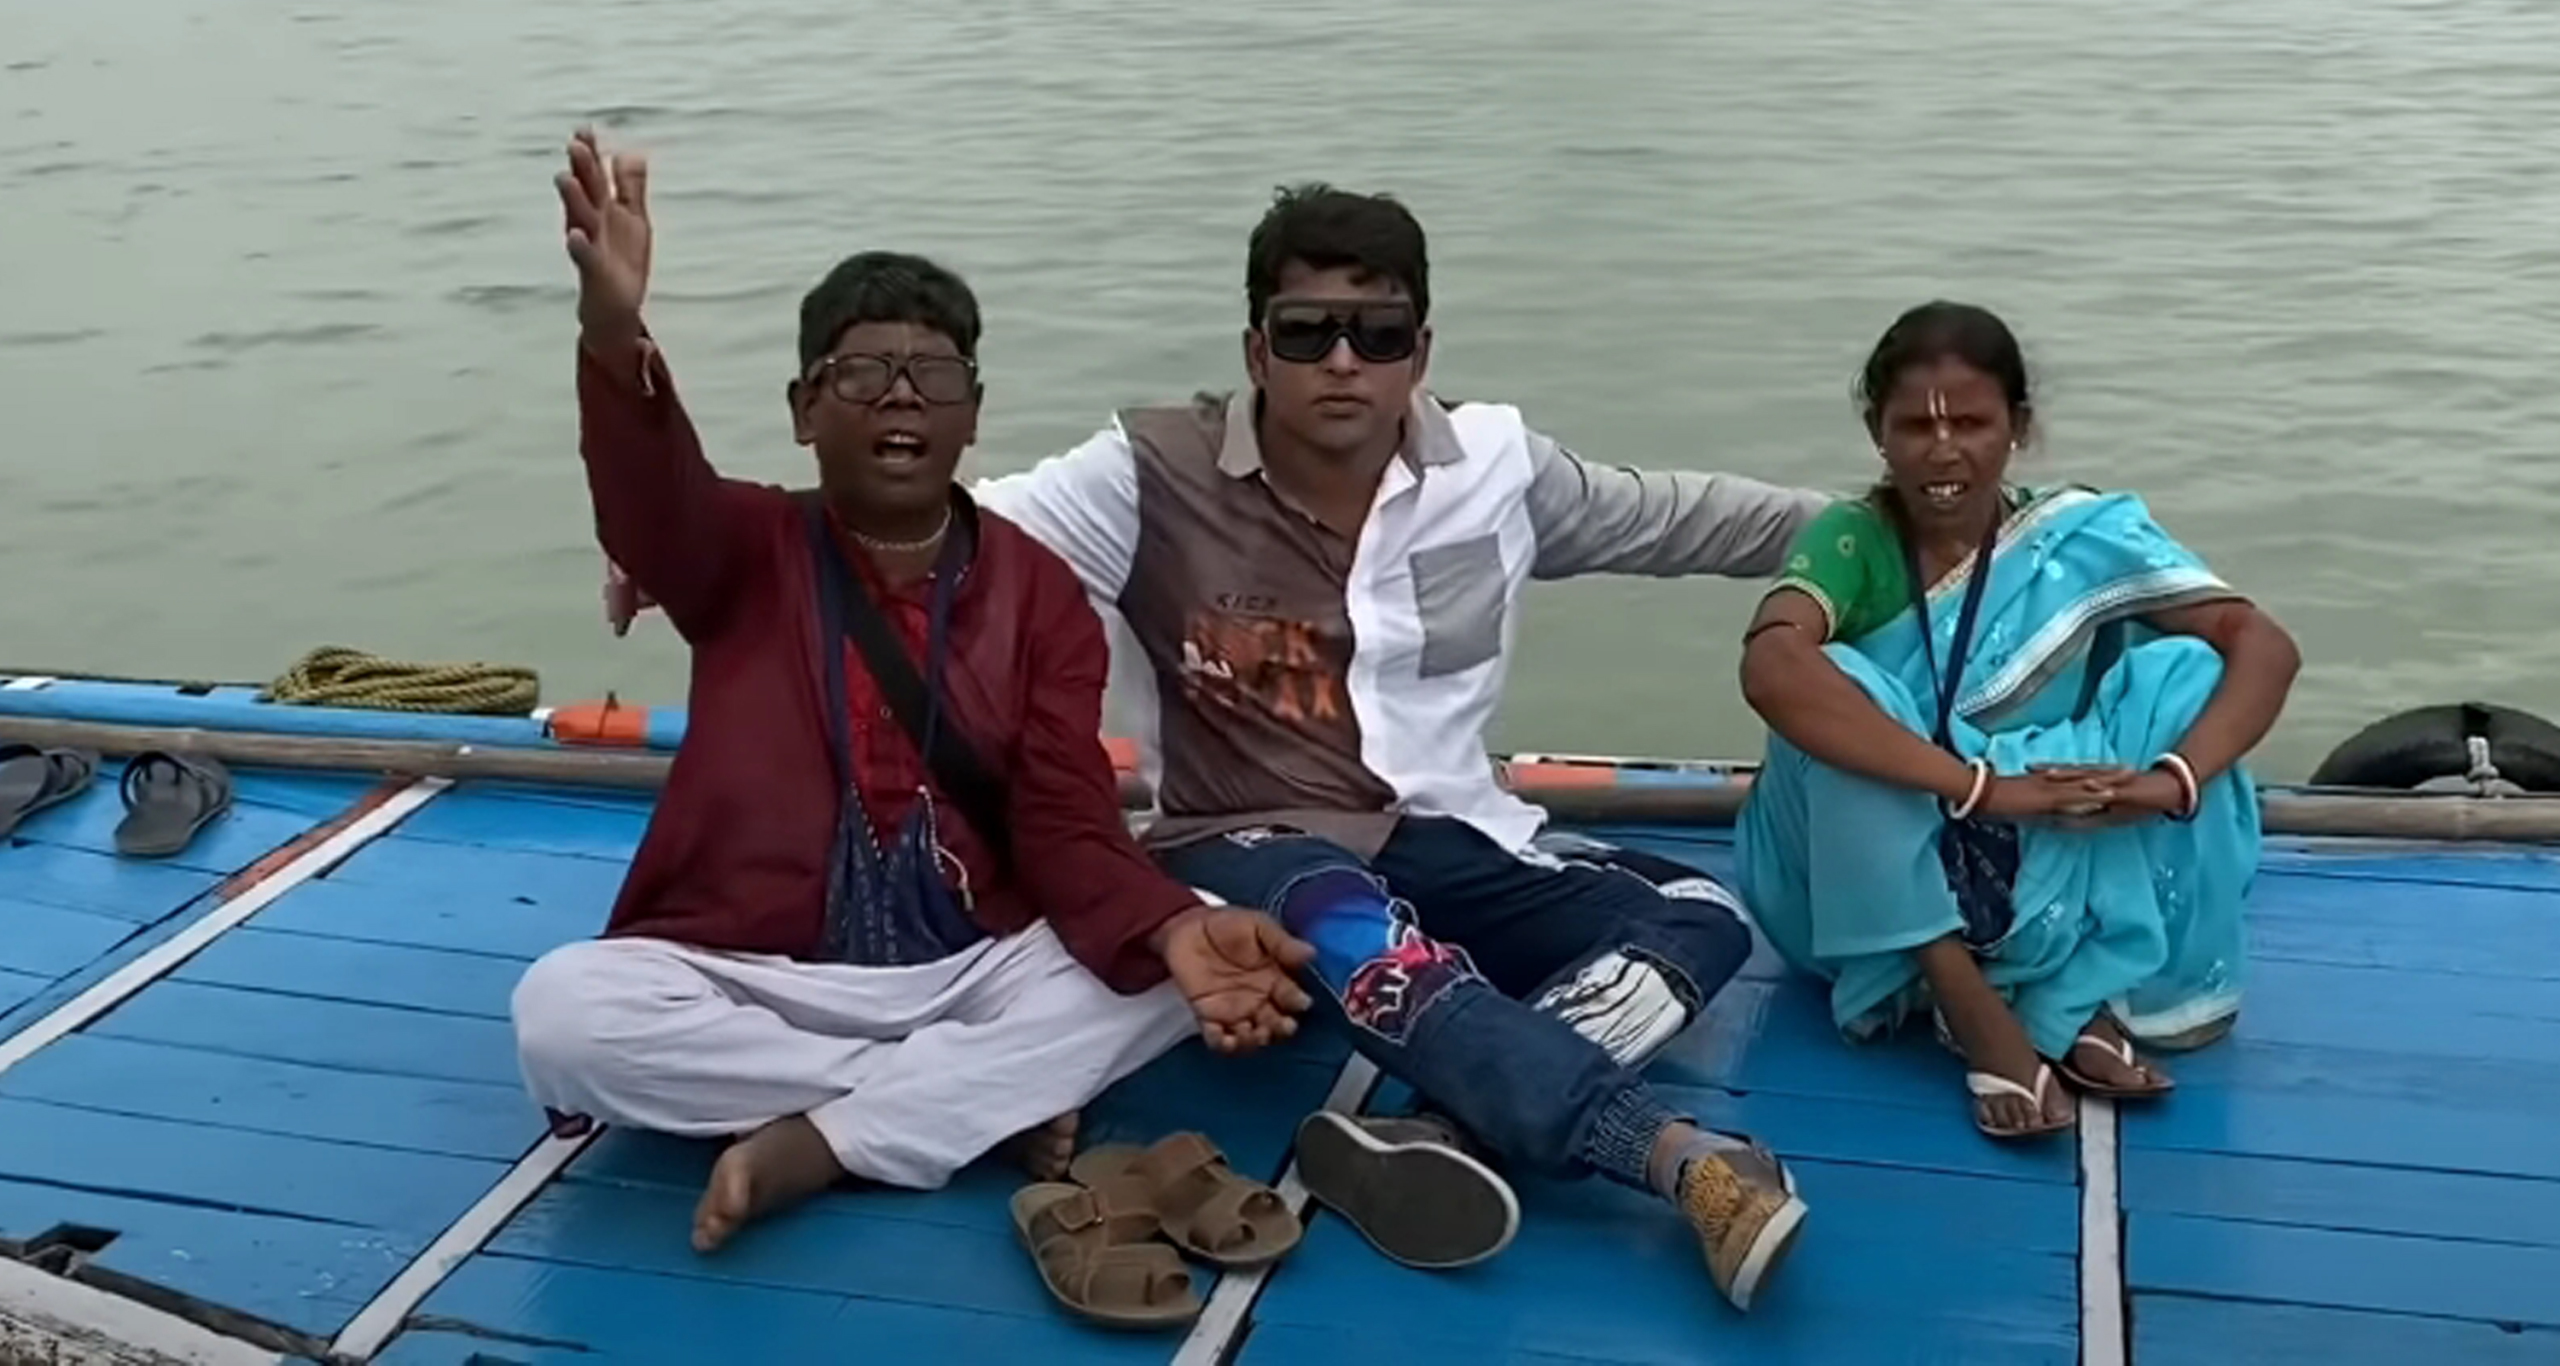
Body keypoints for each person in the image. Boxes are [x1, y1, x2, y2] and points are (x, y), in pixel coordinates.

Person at [955, 184, 1829, 1313]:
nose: (1342, 361)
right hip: (1248, 842)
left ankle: (1449, 1125)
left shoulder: (1494, 467)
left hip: (1447, 831)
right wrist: (745, 566)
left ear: (1419, 352)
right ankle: (1680, 1160)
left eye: (1376, 335)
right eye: (1305, 331)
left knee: (1701, 914)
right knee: (1357, 930)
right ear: (1256, 349)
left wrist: (1912, 530)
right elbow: (939, 536)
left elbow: (1685, 519)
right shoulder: (1147, 474)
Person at [511, 130, 1317, 1256]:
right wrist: (612, 330)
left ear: (972, 412)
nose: (900, 395)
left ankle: (825, 1139)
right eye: (860, 373)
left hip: (972, 965)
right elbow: (650, 496)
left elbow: (1065, 821)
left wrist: (1173, 928)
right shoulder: (742, 545)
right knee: (562, 1016)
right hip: (760, 971)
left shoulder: (1038, 592)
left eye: (932, 375)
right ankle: (959, 1108)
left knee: (1177, 956)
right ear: (804, 409)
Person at [1733, 301, 2300, 1140]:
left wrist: (2165, 783)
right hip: (1854, 874)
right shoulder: (1853, 540)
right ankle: (1971, 1005)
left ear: (2019, 428)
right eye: (1914, 427)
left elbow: (2262, 645)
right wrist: (1979, 788)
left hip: (2036, 837)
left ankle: (2065, 985)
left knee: (2188, 671)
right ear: (1878, 433)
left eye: (1970, 423)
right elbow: (1772, 665)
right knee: (1837, 690)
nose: (1943, 450)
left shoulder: (2079, 537)